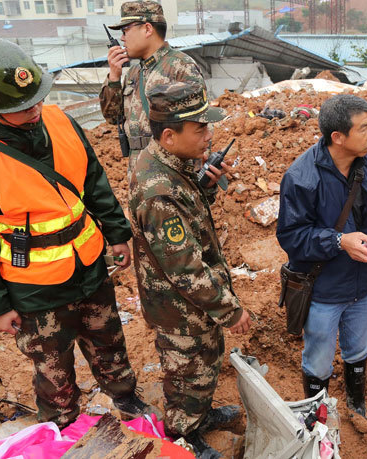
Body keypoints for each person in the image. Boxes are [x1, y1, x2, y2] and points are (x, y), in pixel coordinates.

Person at [0, 38, 153, 428]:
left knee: (109, 343)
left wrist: (117, 233)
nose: (35, 110)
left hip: (90, 266)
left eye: (37, 99)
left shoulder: (60, 120)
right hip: (34, 290)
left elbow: (94, 183)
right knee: (53, 369)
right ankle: (64, 425)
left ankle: (125, 400)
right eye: (22, 107)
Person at [129, 81, 252, 457]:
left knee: (205, 362)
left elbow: (190, 223)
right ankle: (184, 432)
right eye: (200, 129)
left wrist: (206, 187)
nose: (209, 136)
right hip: (179, 306)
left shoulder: (173, 165)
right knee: (187, 371)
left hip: (192, 302)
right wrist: (230, 311)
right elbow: (185, 268)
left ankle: (199, 415)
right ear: (169, 135)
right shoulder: (158, 190)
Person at [277, 94, 367, 431]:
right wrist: (338, 241)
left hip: (364, 283)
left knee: (358, 348)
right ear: (338, 137)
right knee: (318, 358)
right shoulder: (302, 177)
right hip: (323, 289)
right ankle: (317, 418)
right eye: (365, 128)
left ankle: (355, 403)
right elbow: (291, 237)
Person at [99, 0, 205, 171]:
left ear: (147, 29)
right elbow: (112, 117)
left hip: (169, 172)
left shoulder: (181, 66)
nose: (122, 38)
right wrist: (113, 77)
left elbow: (199, 126)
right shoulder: (134, 73)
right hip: (139, 169)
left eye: (126, 30)